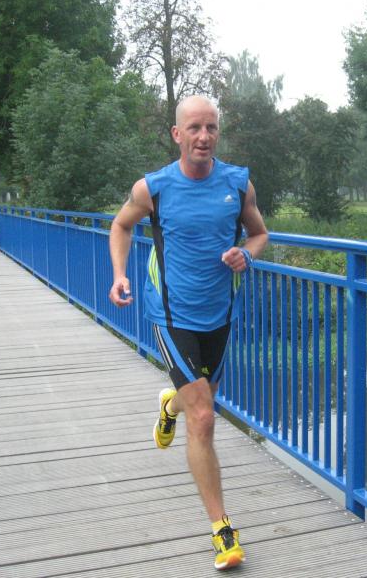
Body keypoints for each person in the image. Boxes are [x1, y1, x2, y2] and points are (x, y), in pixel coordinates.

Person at [108, 95, 269, 570]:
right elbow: (120, 226)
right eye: (194, 128)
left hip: (219, 314)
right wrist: (119, 275)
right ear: (177, 134)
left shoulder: (238, 184)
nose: (204, 136)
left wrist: (247, 254)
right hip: (172, 314)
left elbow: (260, 233)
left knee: (198, 404)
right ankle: (223, 530)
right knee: (203, 418)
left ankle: (169, 404)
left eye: (211, 127)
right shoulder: (153, 188)